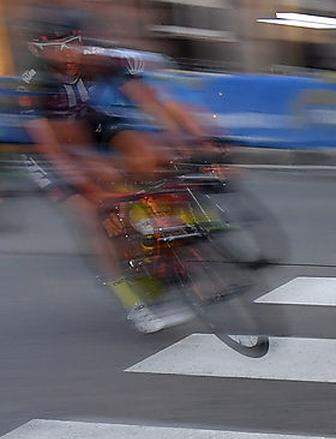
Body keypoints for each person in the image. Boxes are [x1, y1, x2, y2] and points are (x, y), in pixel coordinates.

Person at [18, 13, 215, 333]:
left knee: (152, 154)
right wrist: (88, 181)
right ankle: (134, 303)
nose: (71, 53)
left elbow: (152, 102)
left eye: (75, 44)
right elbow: (53, 148)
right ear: (40, 50)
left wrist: (187, 137)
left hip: (90, 125)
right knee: (97, 214)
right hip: (52, 151)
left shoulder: (97, 61)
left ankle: (170, 226)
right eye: (61, 47)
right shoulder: (35, 81)